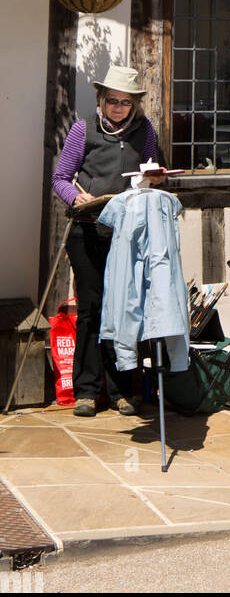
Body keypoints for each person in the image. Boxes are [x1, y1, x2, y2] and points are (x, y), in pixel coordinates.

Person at [52, 66, 159, 416]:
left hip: (125, 233)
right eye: (112, 100)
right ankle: (85, 391)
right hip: (86, 230)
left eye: (125, 102)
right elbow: (61, 178)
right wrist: (75, 198)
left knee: (124, 311)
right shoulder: (84, 129)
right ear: (102, 99)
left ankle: (120, 392)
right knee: (91, 308)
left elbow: (152, 174)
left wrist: (153, 181)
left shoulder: (144, 132)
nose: (118, 107)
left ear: (134, 105)